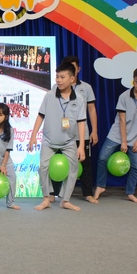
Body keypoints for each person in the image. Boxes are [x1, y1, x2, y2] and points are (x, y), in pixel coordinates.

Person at [28, 61, 86, 212]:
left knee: (73, 169)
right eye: (57, 77)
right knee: (43, 168)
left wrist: (81, 145)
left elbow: (81, 122)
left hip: (69, 141)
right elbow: (40, 116)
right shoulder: (49, 95)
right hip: (49, 140)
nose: (58, 80)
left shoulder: (79, 99)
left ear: (72, 78)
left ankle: (65, 200)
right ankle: (46, 198)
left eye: (62, 77)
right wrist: (33, 136)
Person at [94, 67, 137, 203]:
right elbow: (122, 120)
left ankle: (130, 192)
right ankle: (100, 186)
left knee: (135, 166)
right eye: (136, 81)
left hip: (135, 137)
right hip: (117, 134)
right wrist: (123, 141)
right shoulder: (124, 96)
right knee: (102, 158)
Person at [50, 55, 99, 204]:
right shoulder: (56, 88)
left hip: (80, 133)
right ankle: (53, 193)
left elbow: (91, 109)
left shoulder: (86, 87)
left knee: (85, 163)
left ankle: (87, 193)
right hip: (62, 134)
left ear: (78, 69)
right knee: (57, 163)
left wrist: (94, 130)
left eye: (74, 67)